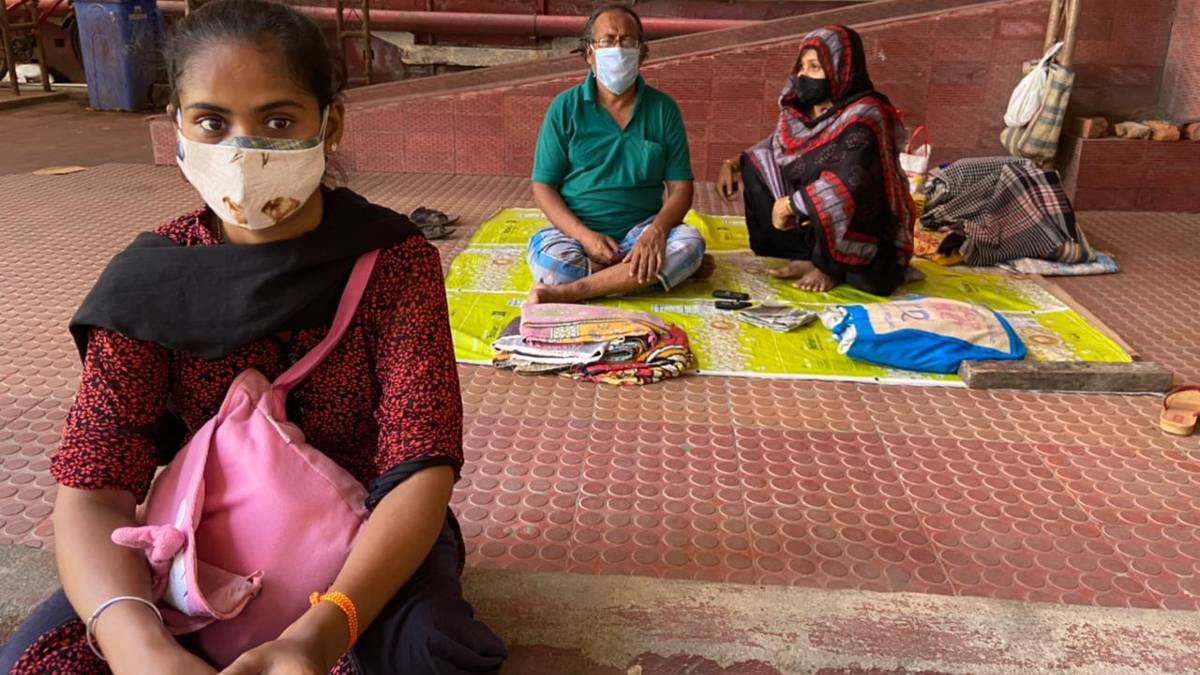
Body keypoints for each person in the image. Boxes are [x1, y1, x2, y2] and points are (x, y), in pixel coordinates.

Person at [0, 1, 506, 673]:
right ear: (177, 127)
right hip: (192, 544)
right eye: (212, 122)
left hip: (369, 542)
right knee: (37, 661)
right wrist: (139, 647)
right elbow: (94, 489)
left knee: (434, 654)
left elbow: (421, 464)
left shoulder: (392, 259)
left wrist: (326, 630)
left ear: (330, 124)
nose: (242, 151)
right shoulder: (152, 279)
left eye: (277, 120)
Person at [525, 3, 710, 305]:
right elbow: (543, 187)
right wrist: (585, 236)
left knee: (690, 244)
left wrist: (656, 232)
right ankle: (642, 277)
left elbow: (680, 187)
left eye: (628, 41)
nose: (618, 49)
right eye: (608, 41)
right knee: (553, 264)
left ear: (642, 52)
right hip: (576, 232)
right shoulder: (564, 108)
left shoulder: (663, 109)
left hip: (642, 230)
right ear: (589, 54)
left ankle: (577, 290)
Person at [717, 25, 914, 295]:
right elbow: (778, 143)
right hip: (817, 212)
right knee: (756, 163)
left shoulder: (866, 114)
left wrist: (790, 204)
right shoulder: (804, 107)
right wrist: (733, 164)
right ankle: (807, 255)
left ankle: (830, 265)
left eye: (814, 67)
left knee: (865, 276)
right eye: (801, 66)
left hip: (865, 221)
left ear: (840, 69)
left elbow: (852, 181)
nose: (802, 75)